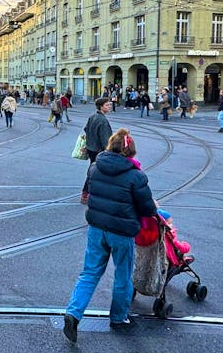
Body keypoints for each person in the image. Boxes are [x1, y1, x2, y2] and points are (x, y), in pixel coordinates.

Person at [62, 128, 158, 341]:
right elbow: (147, 209)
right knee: (123, 275)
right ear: (130, 151)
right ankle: (118, 317)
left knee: (89, 273)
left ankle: (73, 313)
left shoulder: (95, 168)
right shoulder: (136, 175)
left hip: (96, 229)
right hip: (122, 233)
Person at [80, 97, 113, 204]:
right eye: (107, 105)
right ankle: (86, 193)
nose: (109, 107)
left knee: (93, 170)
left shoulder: (93, 116)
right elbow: (105, 139)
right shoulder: (103, 120)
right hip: (99, 150)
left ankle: (90, 193)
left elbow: (86, 129)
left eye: (109, 105)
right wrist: (109, 151)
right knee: (96, 172)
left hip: (91, 148)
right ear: (101, 106)